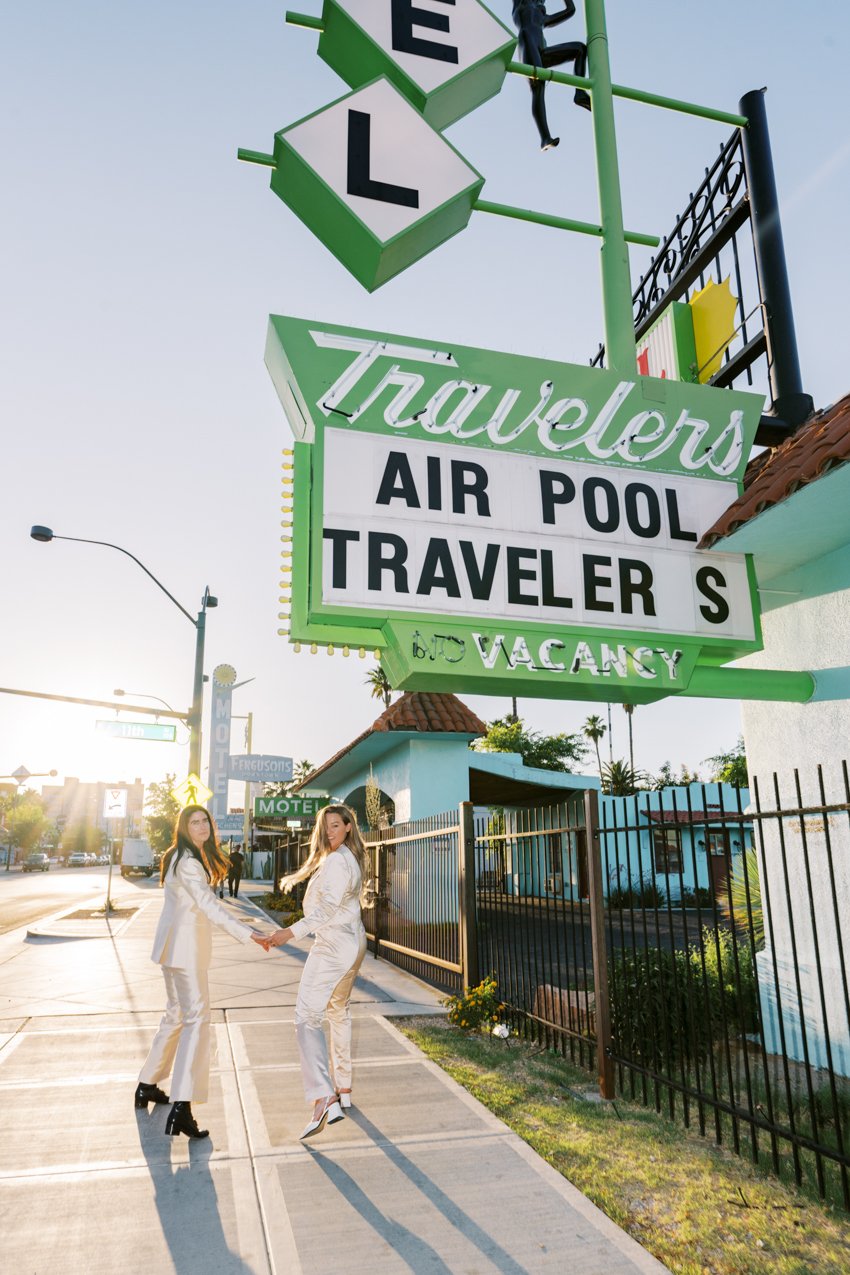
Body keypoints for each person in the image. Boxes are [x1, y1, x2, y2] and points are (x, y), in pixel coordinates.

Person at [135, 804, 267, 1138]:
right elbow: (208, 905)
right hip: (186, 953)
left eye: (205, 820)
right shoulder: (190, 863)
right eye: (194, 822)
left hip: (171, 949)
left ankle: (147, 1083)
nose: (202, 825)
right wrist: (249, 933)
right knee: (196, 1021)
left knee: (176, 1015)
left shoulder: (178, 857)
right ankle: (183, 1105)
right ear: (184, 828)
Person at [261, 804, 368, 1140]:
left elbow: (325, 911)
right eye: (326, 827)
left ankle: (324, 1097)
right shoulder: (345, 856)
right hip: (350, 942)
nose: (330, 831)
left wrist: (286, 933)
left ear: (349, 826)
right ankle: (344, 1088)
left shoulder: (338, 860)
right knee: (337, 1011)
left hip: (333, 947)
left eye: (336, 825)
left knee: (306, 1017)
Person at [512, 1, 590, 151]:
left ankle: (580, 93)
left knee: (580, 49)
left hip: (542, 50)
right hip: (528, 45)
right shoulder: (521, 4)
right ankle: (544, 137)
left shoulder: (543, 17)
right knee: (538, 87)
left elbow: (570, 10)